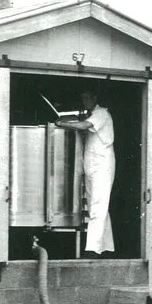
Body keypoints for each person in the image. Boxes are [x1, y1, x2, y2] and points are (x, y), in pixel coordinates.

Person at [56, 89, 115, 258]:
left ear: (96, 97)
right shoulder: (92, 115)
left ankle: (93, 249)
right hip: (92, 167)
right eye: (83, 97)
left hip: (102, 167)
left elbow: (84, 126)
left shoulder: (102, 114)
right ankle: (107, 248)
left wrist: (61, 123)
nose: (85, 100)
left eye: (88, 97)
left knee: (98, 207)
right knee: (98, 207)